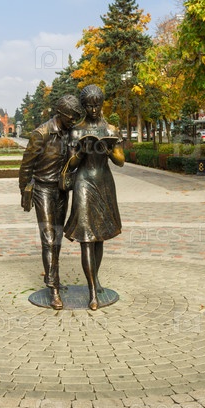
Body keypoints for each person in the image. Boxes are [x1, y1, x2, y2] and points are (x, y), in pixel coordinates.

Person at [19, 95, 83, 310]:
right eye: (71, 117)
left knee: (57, 236)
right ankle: (53, 288)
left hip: (61, 190)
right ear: (61, 114)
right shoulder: (41, 134)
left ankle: (54, 277)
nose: (74, 120)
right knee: (48, 238)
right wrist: (24, 192)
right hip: (43, 190)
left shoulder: (70, 132)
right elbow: (26, 166)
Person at [63, 85, 125, 311]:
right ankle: (91, 291)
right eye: (89, 106)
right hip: (83, 183)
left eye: (97, 105)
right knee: (87, 237)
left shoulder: (111, 129)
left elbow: (120, 161)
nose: (93, 109)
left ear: (102, 103)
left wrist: (108, 149)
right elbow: (70, 164)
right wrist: (81, 151)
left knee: (99, 236)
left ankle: (95, 279)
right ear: (83, 106)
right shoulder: (76, 131)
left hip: (104, 183)